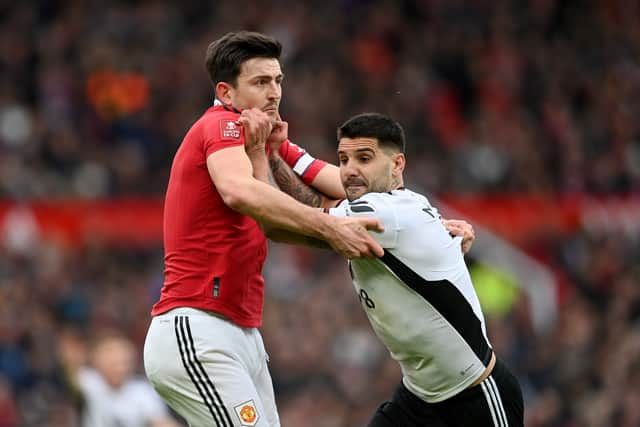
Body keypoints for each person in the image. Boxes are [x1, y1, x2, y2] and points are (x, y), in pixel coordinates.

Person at [143, 31, 386, 427]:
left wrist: (430, 220)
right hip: (198, 328)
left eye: (278, 81)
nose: (274, 93)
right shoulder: (221, 126)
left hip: (241, 334)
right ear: (227, 92)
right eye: (260, 82)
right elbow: (240, 192)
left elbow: (347, 186)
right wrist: (328, 227)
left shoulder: (269, 139)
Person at [247, 112, 524, 426]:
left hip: (475, 398)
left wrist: (261, 153)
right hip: (420, 398)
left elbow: (285, 218)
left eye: (364, 159)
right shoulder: (394, 203)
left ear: (397, 165)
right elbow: (315, 195)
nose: (350, 170)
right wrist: (280, 148)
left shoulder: (386, 215)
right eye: (344, 159)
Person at [58, 329, 179, 427]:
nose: (119, 368)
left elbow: (161, 421)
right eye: (113, 362)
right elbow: (70, 369)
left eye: (123, 362)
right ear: (97, 361)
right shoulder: (92, 382)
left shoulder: (141, 391)